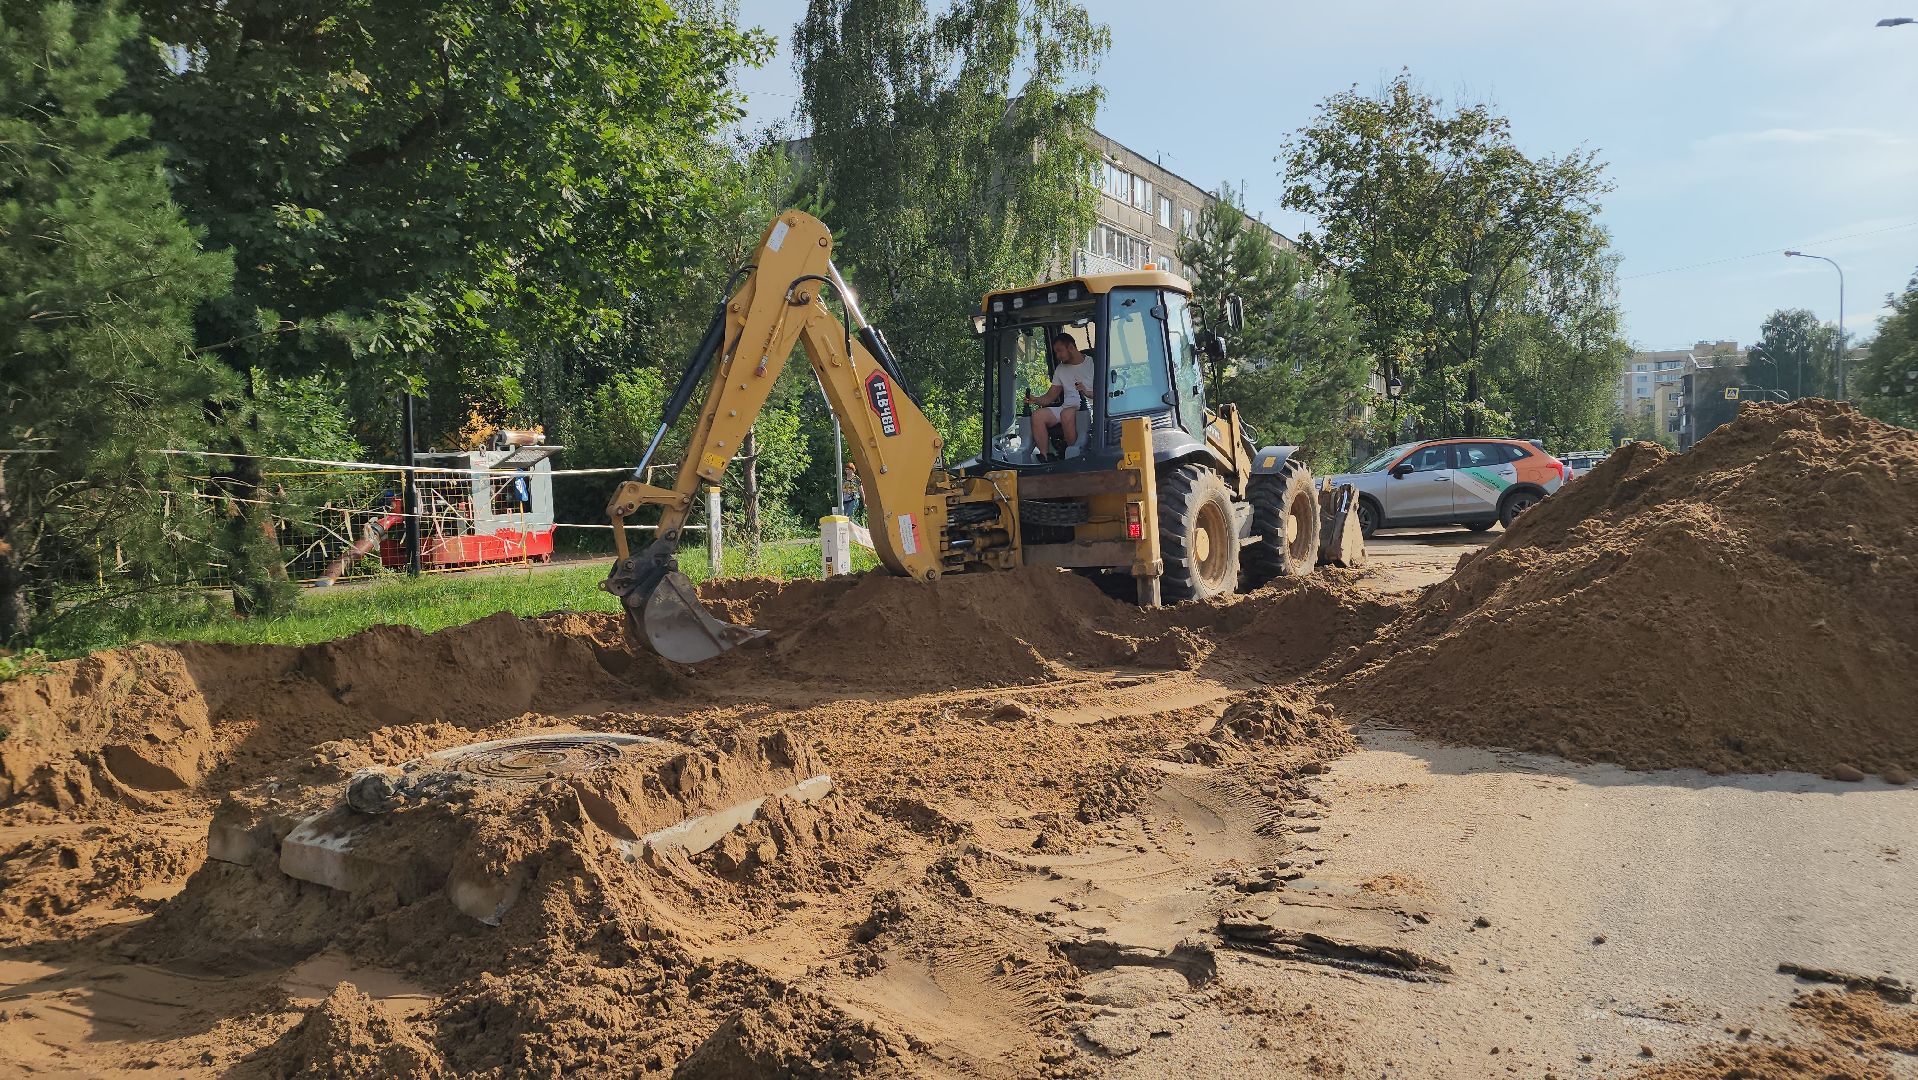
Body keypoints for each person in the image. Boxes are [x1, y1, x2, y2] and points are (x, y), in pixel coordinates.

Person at [1025, 333, 1094, 460]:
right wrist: (1035, 399)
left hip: (1090, 408)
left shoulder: (1093, 363)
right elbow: (1049, 397)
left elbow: (1104, 394)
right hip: (1066, 408)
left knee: (1066, 414)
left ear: (1071, 347)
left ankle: (1074, 457)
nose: (1057, 356)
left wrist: (1086, 391)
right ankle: (1046, 457)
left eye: (1059, 351)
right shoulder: (1061, 369)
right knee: (1038, 415)